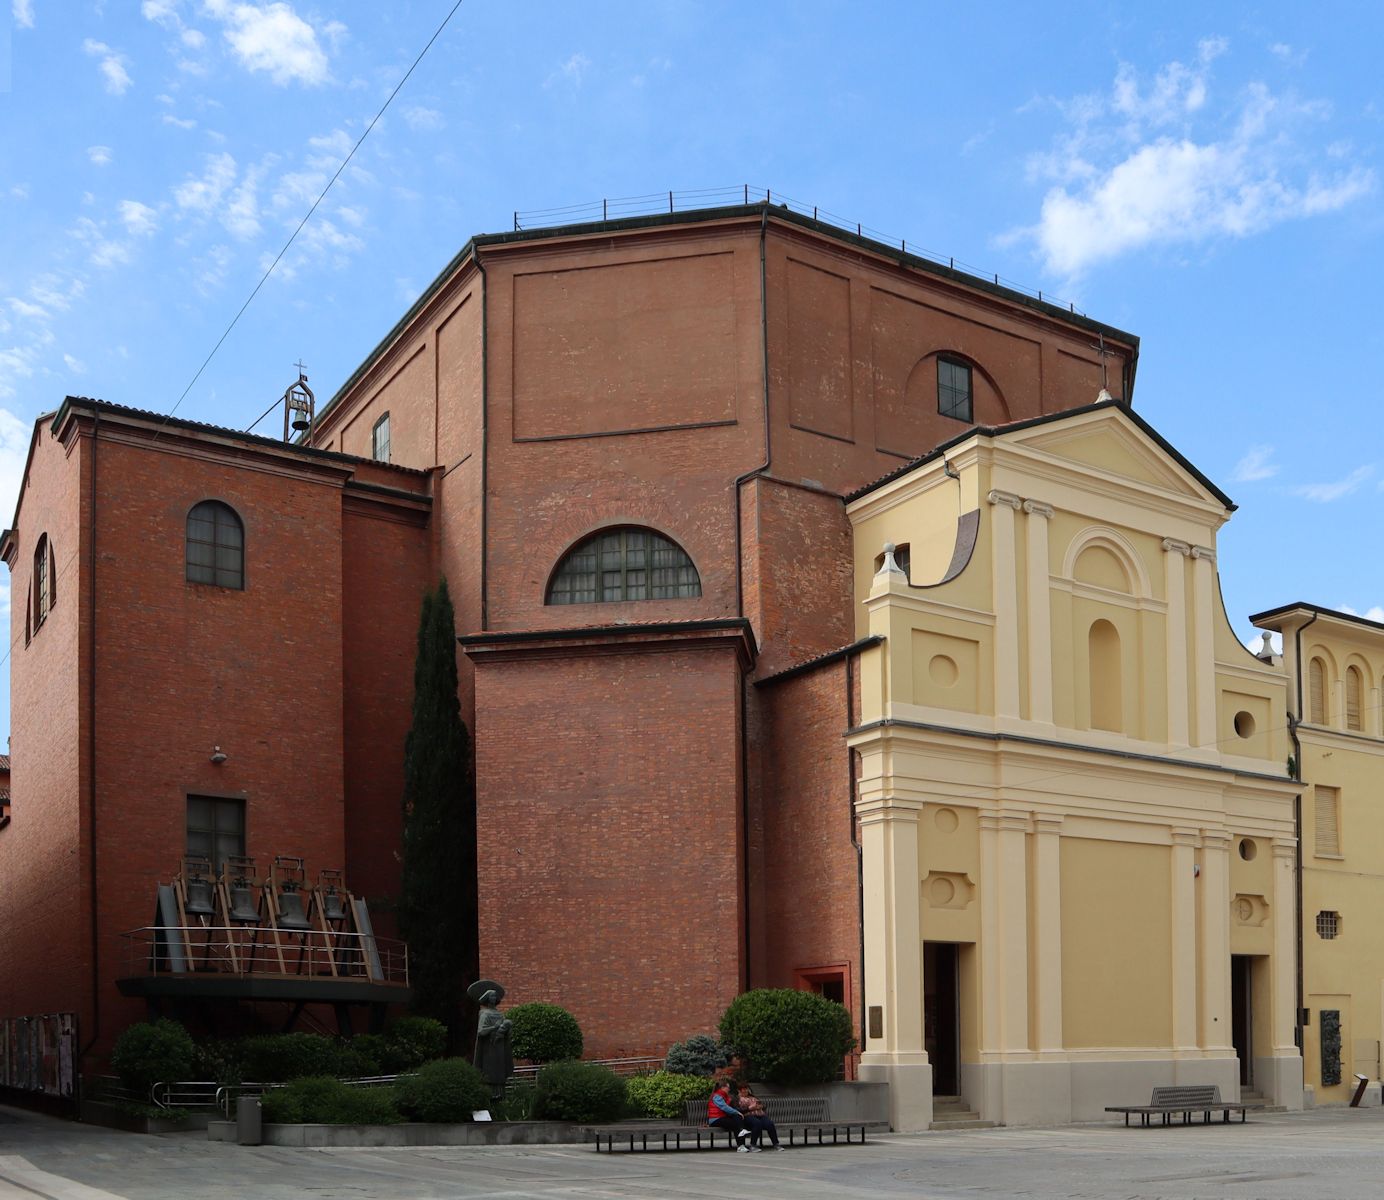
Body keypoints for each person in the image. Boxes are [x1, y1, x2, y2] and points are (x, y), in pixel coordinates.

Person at [470, 981, 513, 1102]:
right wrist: (494, 1027)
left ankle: (501, 1097)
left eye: (495, 996)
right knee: (490, 1073)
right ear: (487, 998)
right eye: (492, 996)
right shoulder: (484, 1014)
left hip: (500, 1047)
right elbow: (481, 1032)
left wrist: (505, 1030)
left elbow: (505, 1029)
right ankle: (490, 1097)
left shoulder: (500, 1014)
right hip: (489, 1049)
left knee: (500, 1072)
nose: (494, 998)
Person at [706, 1079, 755, 1152]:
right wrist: (736, 1112)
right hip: (715, 1119)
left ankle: (742, 1134)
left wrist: (737, 1112)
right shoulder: (717, 1096)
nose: (729, 1089)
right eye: (728, 1087)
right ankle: (741, 1144)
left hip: (722, 1117)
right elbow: (724, 1107)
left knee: (737, 1118)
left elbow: (730, 1107)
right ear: (722, 1087)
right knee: (735, 1123)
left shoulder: (724, 1096)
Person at [737, 1084, 784, 1151]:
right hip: (747, 1116)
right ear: (739, 1091)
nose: (745, 1091)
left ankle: (776, 1144)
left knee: (770, 1124)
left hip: (760, 1115)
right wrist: (750, 1108)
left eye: (746, 1089)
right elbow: (738, 1110)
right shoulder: (737, 1099)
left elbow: (763, 1106)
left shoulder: (752, 1097)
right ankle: (753, 1145)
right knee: (757, 1123)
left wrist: (761, 1106)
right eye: (743, 1089)